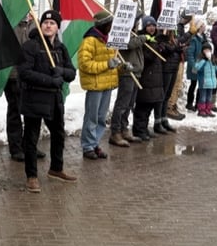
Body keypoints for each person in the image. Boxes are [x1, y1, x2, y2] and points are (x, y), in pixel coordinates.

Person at [17, 10, 77, 193]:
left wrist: (61, 72)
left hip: (54, 99)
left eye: (52, 23)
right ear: (40, 25)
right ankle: (32, 176)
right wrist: (50, 80)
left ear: (57, 27)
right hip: (35, 97)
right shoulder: (30, 46)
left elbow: (72, 73)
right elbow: (25, 73)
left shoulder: (60, 48)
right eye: (45, 22)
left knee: (58, 134)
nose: (48, 25)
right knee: (31, 138)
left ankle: (56, 169)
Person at [79, 10, 121, 159]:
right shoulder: (89, 41)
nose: (112, 27)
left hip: (107, 85)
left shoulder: (110, 40)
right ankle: (87, 146)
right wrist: (107, 65)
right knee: (92, 117)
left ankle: (94, 143)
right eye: (110, 24)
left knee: (101, 117)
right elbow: (85, 64)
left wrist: (122, 67)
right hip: (95, 85)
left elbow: (112, 62)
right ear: (103, 25)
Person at [5, 14, 45, 162]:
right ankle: (16, 148)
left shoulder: (36, 23)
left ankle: (29, 145)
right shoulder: (9, 22)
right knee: (15, 112)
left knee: (32, 113)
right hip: (13, 75)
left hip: (32, 76)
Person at [135, 16, 173, 137]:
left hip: (155, 77)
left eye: (153, 25)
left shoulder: (156, 39)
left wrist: (163, 44)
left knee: (150, 106)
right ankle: (139, 130)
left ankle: (144, 128)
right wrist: (156, 47)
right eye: (149, 25)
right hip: (146, 77)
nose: (152, 28)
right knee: (143, 106)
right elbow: (148, 57)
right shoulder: (141, 39)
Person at [109, 26, 145, 147]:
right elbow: (128, 44)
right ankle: (115, 132)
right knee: (122, 104)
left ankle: (124, 129)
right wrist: (142, 38)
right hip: (127, 73)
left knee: (129, 104)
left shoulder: (134, 34)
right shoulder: (122, 32)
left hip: (136, 73)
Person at [183, 18, 205, 112]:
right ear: (199, 27)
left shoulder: (203, 38)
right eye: (202, 25)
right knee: (193, 84)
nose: (204, 27)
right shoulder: (194, 39)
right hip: (195, 65)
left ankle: (198, 104)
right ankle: (189, 103)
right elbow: (190, 54)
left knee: (201, 85)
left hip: (202, 64)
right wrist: (193, 65)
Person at [193, 43, 217, 117]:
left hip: (211, 82)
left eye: (209, 50)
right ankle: (201, 110)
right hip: (203, 82)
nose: (207, 51)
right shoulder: (201, 59)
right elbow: (196, 68)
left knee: (209, 97)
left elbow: (215, 69)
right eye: (205, 50)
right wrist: (204, 60)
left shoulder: (212, 59)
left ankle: (208, 109)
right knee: (203, 97)